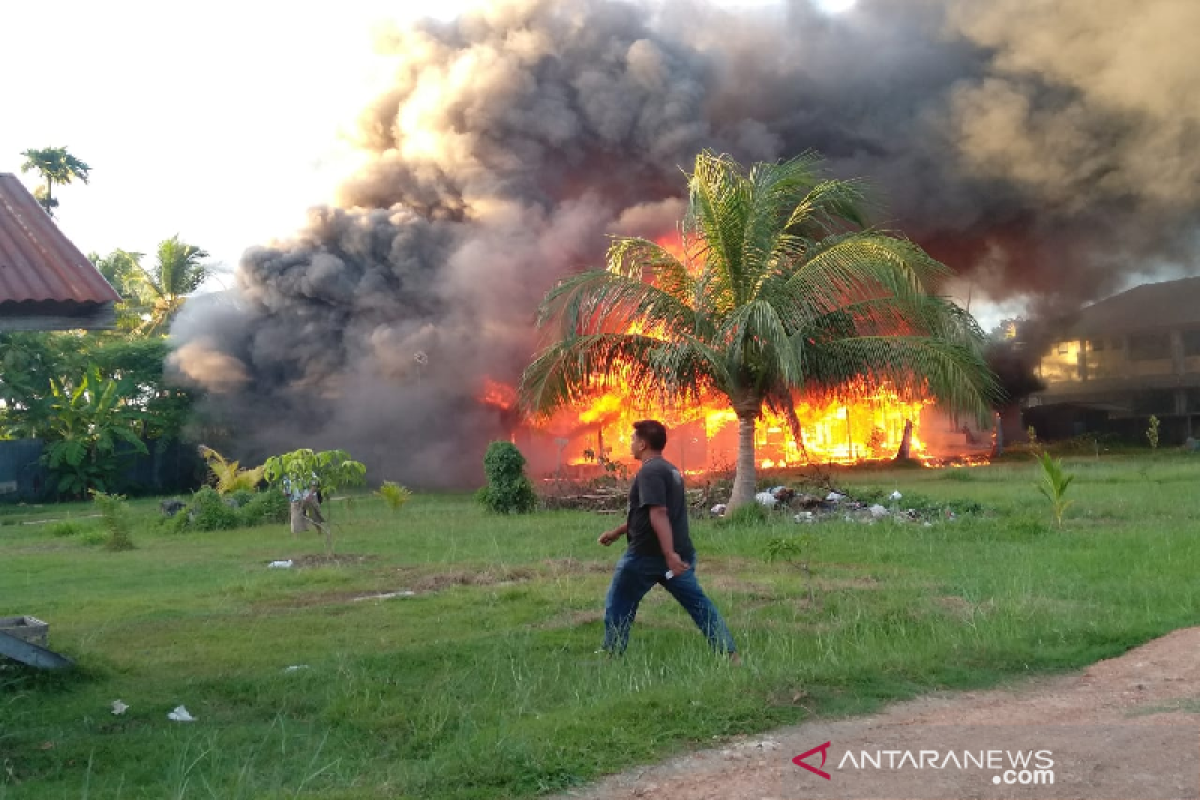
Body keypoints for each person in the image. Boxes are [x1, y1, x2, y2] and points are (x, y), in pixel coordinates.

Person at [598, 420, 739, 662]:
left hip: (647, 557)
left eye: (632, 439)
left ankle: (612, 654)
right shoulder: (670, 470)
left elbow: (659, 513)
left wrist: (669, 554)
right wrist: (618, 532)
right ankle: (730, 654)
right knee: (699, 605)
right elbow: (647, 516)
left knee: (619, 603)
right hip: (676, 555)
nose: (630, 443)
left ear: (643, 444)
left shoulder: (649, 472)